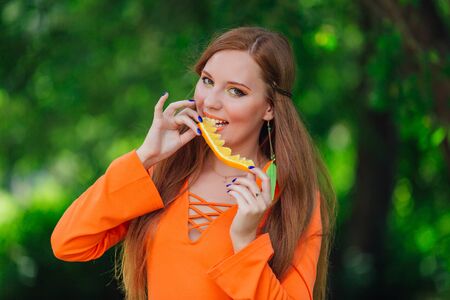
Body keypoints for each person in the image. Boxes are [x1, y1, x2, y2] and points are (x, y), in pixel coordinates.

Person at [51, 26, 336, 300]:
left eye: (236, 91)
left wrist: (245, 242)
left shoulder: (293, 198)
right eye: (207, 81)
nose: (210, 101)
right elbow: (68, 242)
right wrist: (144, 157)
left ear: (269, 108)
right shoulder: (162, 172)